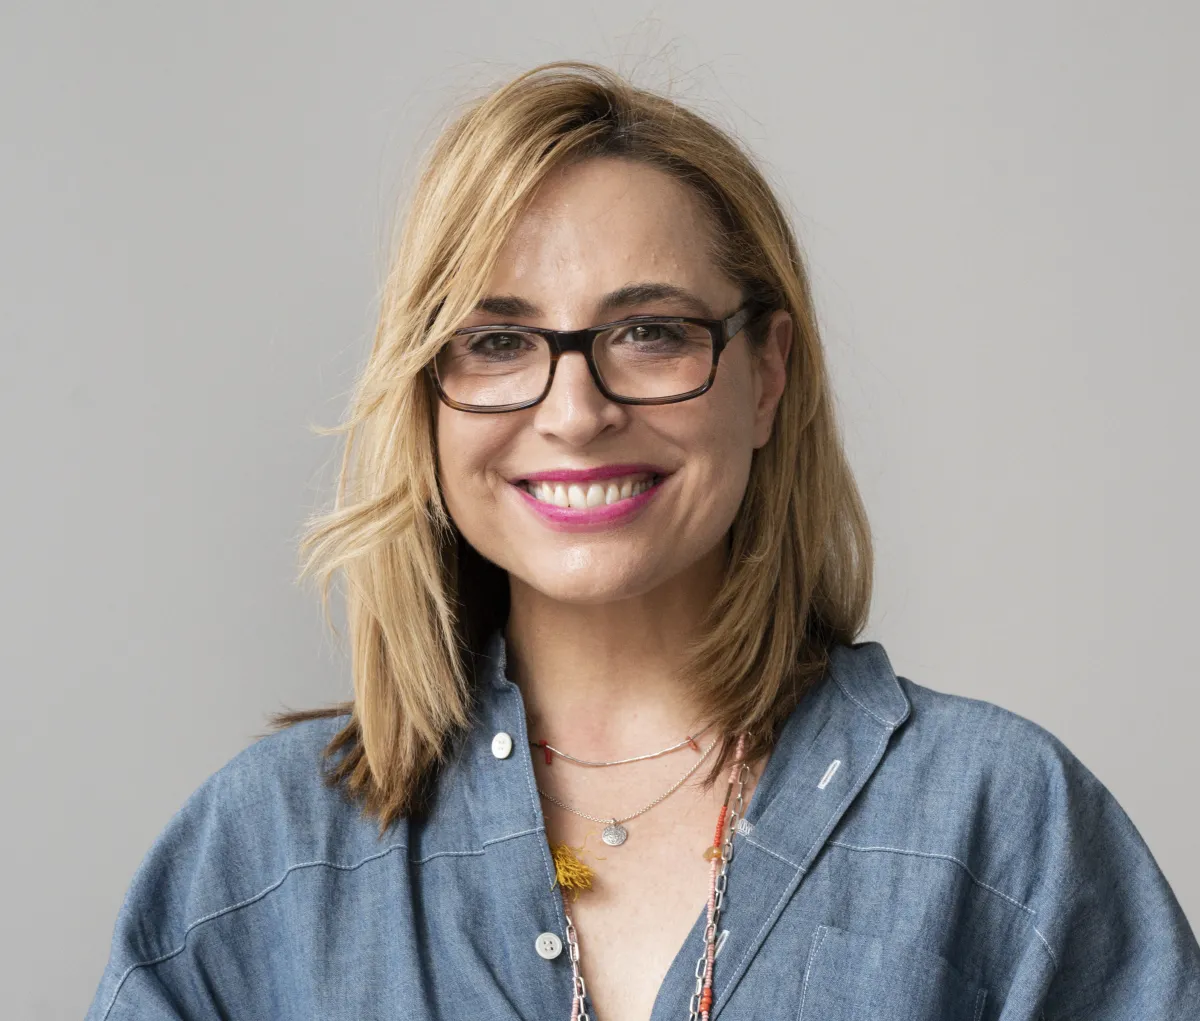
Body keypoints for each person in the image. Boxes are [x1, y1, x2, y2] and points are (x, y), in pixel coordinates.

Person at [86, 61, 1200, 1021]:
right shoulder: (263, 859)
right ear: (424, 394)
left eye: (650, 332)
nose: (574, 410)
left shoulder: (1003, 825)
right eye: (496, 340)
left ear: (765, 375)